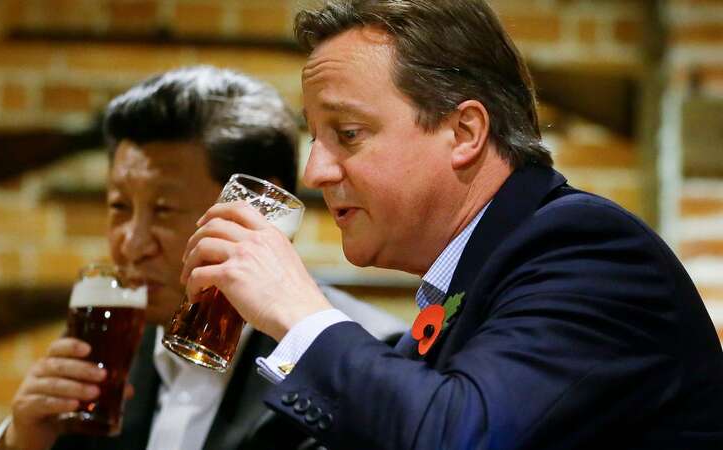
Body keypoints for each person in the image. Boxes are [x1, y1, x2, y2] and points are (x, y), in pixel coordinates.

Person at [179, 1, 723, 449]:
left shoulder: (587, 251)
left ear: (465, 133)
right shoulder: (465, 282)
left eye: (347, 133)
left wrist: (299, 314)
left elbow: (458, 437)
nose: (314, 171)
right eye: (313, 137)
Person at [0, 66, 406, 450]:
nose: (132, 243)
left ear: (258, 208)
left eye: (163, 210)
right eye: (119, 207)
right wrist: (19, 441)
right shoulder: (111, 357)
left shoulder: (356, 360)